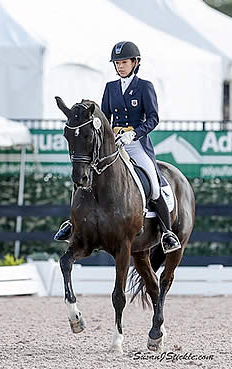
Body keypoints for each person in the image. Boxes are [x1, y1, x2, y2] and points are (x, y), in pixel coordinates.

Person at [54, 41, 180, 254]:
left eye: (124, 62)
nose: (120, 66)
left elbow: (153, 118)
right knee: (85, 176)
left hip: (136, 144)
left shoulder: (144, 86)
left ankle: (167, 233)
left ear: (135, 62)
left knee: (154, 183)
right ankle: (72, 223)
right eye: (117, 63)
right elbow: (104, 117)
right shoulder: (110, 87)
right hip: (113, 145)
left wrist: (134, 134)